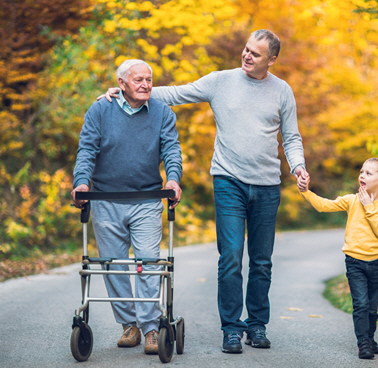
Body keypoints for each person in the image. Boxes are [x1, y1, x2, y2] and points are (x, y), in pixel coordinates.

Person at [101, 29, 309, 354]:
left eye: (255, 53)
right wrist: (127, 90)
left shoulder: (282, 91)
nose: (247, 55)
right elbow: (175, 94)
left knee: (262, 261)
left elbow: (291, 137)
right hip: (227, 180)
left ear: (271, 59)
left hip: (268, 185)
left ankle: (256, 325)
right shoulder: (220, 81)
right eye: (246, 49)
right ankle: (231, 329)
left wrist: (298, 166)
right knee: (229, 259)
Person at [71, 59, 182, 355]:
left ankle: (150, 330)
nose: (146, 84)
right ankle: (128, 325)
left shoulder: (162, 113)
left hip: (146, 199)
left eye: (149, 79)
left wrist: (172, 179)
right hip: (105, 199)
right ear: (122, 84)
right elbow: (87, 149)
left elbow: (171, 149)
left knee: (147, 262)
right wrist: (82, 182)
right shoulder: (100, 109)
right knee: (114, 265)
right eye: (138, 80)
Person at [297, 158, 378, 360]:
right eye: (361, 171)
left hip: (377, 263)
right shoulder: (352, 200)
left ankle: (370, 338)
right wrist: (306, 191)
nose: (362, 176)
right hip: (354, 262)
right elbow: (324, 205)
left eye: (368, 173)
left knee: (372, 306)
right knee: (360, 304)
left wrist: (369, 206)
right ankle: (363, 344)